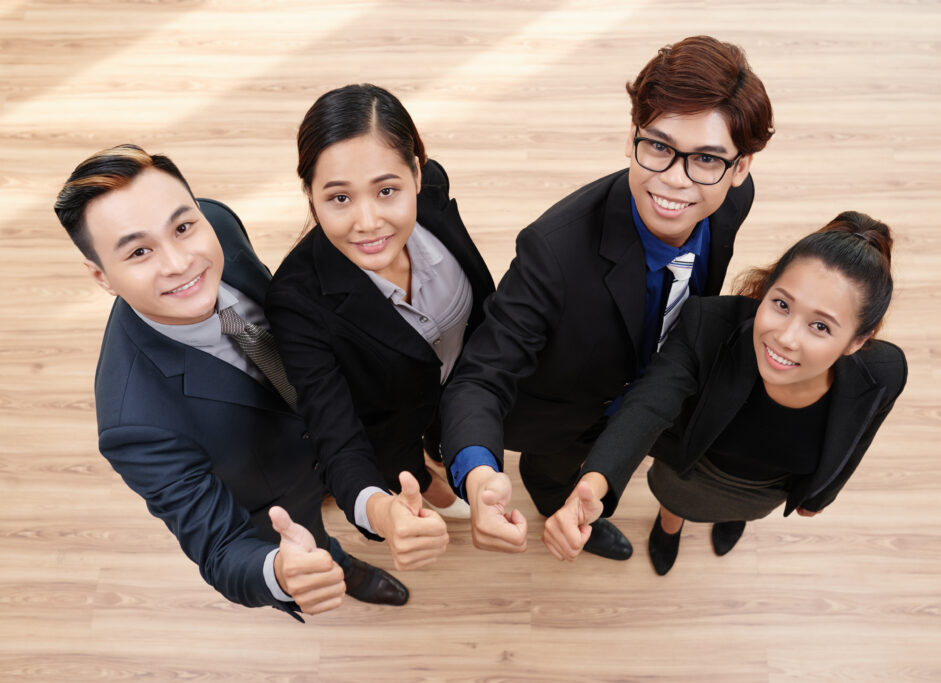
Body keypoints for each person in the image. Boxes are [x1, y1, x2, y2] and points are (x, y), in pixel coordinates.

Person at [53, 144, 438, 621]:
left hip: (335, 418)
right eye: (139, 251)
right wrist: (280, 571)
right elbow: (219, 548)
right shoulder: (134, 423)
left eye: (183, 227)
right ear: (101, 276)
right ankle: (345, 567)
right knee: (309, 544)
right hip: (280, 489)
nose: (180, 262)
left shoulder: (220, 223)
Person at [441, 35, 774, 558]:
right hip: (566, 412)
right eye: (659, 147)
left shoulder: (733, 202)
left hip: (656, 389)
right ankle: (558, 504)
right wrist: (480, 475)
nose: (674, 183)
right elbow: (481, 376)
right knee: (552, 474)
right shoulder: (553, 250)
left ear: (740, 169)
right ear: (631, 137)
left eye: (706, 159)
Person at [542, 212, 908, 575]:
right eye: (781, 304)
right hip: (691, 471)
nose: (785, 338)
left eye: (819, 326)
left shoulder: (886, 372)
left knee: (740, 515)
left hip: (765, 491)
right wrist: (593, 483)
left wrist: (823, 495)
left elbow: (859, 437)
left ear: (858, 340)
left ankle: (733, 521)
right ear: (766, 291)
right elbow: (649, 405)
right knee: (674, 506)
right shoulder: (708, 324)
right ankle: (669, 529)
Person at [265, 84, 495, 542]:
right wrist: (382, 512)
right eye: (340, 199)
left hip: (460, 383)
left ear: (416, 173)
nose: (368, 222)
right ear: (310, 193)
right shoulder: (296, 301)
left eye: (387, 190)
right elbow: (337, 438)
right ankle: (433, 484)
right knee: (408, 465)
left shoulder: (433, 193)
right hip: (391, 426)